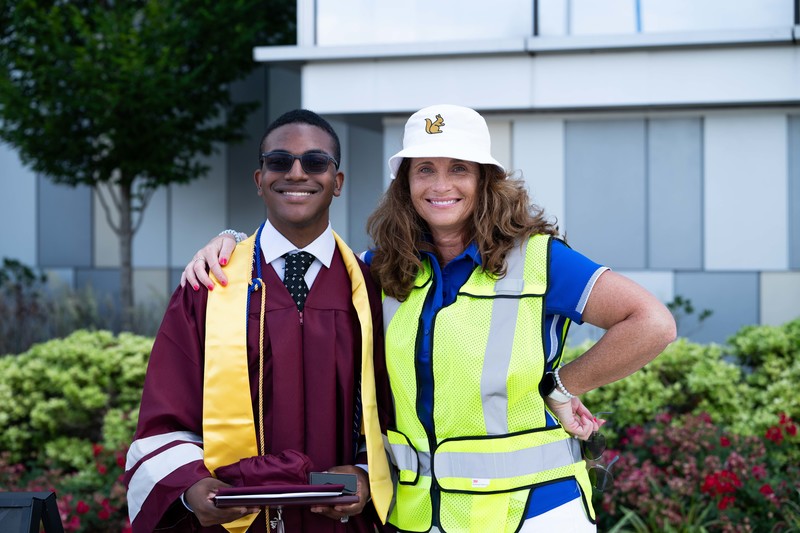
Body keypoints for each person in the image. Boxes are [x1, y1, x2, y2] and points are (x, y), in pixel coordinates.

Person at [183, 104, 677, 532]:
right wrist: (229, 241)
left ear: (484, 180)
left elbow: (651, 322)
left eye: (459, 169)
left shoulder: (540, 260)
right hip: (420, 517)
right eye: (425, 170)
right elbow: (296, 260)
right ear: (406, 183)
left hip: (534, 513)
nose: (441, 186)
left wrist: (560, 386)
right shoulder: (380, 268)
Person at [125, 109, 394, 533]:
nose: (297, 173)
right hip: (235, 520)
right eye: (279, 161)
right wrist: (193, 487)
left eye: (316, 162)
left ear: (337, 182)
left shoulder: (371, 289)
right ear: (259, 179)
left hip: (341, 523)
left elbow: (398, 411)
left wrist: (366, 473)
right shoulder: (209, 285)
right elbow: (165, 415)